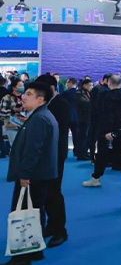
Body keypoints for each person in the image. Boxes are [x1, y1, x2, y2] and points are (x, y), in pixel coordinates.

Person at [4, 82, 58, 265]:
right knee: (35, 212)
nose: (23, 96)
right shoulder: (42, 115)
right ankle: (35, 250)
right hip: (40, 174)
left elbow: (33, 150)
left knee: (25, 214)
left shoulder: (39, 119)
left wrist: (25, 174)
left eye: (28, 94)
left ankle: (22, 257)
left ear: (40, 99)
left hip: (33, 175)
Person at [35, 74, 70, 248]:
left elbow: (59, 131)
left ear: (50, 88)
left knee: (54, 192)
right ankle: (51, 225)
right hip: (46, 154)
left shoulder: (60, 104)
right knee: (46, 192)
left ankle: (60, 231)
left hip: (55, 154)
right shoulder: (47, 104)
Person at [83, 75, 121, 187]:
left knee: (102, 154)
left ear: (109, 83)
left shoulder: (106, 96)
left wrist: (107, 131)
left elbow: (106, 114)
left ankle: (96, 178)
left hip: (107, 131)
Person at [89, 74, 111, 161]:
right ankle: (95, 156)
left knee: (96, 138)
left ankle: (95, 156)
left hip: (96, 117)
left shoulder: (98, 89)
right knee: (97, 138)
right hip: (99, 118)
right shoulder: (100, 90)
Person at [0, 78, 25, 151]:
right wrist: (13, 110)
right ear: (14, 87)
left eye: (23, 85)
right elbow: (2, 112)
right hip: (12, 126)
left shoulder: (24, 97)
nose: (22, 87)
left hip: (23, 125)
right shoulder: (7, 98)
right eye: (20, 85)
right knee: (15, 147)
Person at [74, 79, 93, 161]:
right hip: (82, 119)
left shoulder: (88, 93)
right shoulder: (79, 93)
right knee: (83, 136)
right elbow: (84, 103)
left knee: (86, 136)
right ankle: (81, 154)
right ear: (84, 85)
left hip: (87, 118)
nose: (91, 87)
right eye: (90, 85)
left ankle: (84, 152)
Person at [61, 78, 80, 161]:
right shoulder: (79, 93)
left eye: (67, 83)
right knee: (76, 135)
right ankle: (77, 151)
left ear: (71, 83)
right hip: (77, 116)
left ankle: (64, 152)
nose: (66, 84)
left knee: (64, 135)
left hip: (66, 116)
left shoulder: (65, 93)